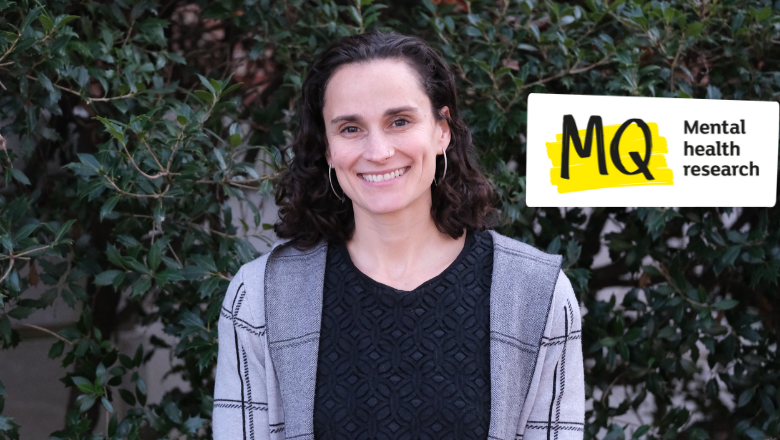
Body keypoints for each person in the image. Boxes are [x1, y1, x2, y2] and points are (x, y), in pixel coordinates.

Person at [213, 30, 584, 440]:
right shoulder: (262, 297)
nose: (378, 152)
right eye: (350, 128)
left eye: (400, 121)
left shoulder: (537, 293)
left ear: (442, 130)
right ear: (327, 148)